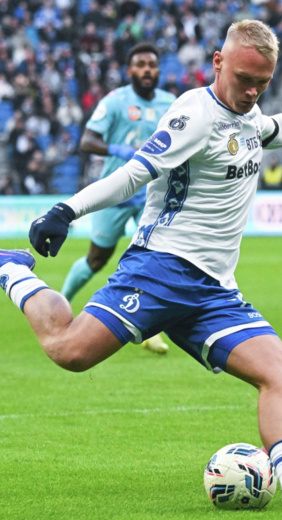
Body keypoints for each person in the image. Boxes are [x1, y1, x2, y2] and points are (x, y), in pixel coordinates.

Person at [0, 20, 282, 505]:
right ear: (218, 62)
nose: (252, 92)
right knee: (69, 351)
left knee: (281, 373)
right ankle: (9, 269)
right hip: (160, 269)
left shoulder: (248, 114)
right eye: (243, 79)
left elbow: (274, 129)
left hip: (214, 290)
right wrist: (66, 210)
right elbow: (134, 173)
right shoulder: (194, 115)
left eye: (262, 82)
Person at [61, 42, 176, 354]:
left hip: (153, 195)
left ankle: (151, 330)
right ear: (129, 71)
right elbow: (87, 141)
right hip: (115, 192)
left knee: (156, 260)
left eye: (152, 65)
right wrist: (118, 150)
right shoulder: (115, 101)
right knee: (96, 259)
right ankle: (62, 302)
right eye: (140, 65)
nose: (147, 70)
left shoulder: (172, 104)